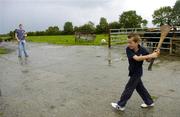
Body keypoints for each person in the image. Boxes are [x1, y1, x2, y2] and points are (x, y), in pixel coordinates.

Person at [111, 33, 160, 111]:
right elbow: (137, 58)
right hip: (132, 71)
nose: (129, 44)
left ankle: (121, 105)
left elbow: (148, 60)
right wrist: (151, 55)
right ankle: (149, 102)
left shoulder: (143, 50)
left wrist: (155, 54)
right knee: (140, 88)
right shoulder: (128, 49)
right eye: (128, 42)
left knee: (129, 88)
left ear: (137, 42)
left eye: (131, 42)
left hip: (137, 73)